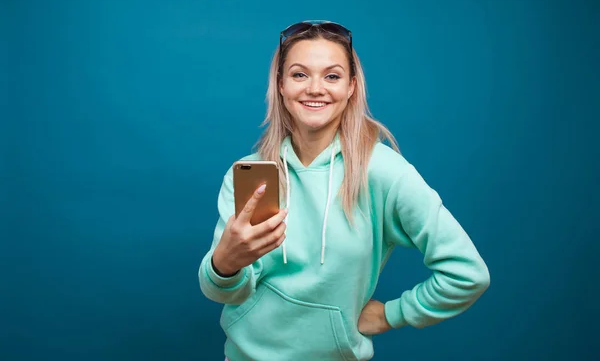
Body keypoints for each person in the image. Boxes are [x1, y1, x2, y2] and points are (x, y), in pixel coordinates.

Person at [198, 20, 490, 361]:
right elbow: (220, 292)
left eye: (332, 76)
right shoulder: (251, 173)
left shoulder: (382, 172)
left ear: (352, 87)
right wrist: (225, 264)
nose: (315, 88)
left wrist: (392, 314)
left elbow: (468, 274)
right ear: (280, 85)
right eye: (299, 74)